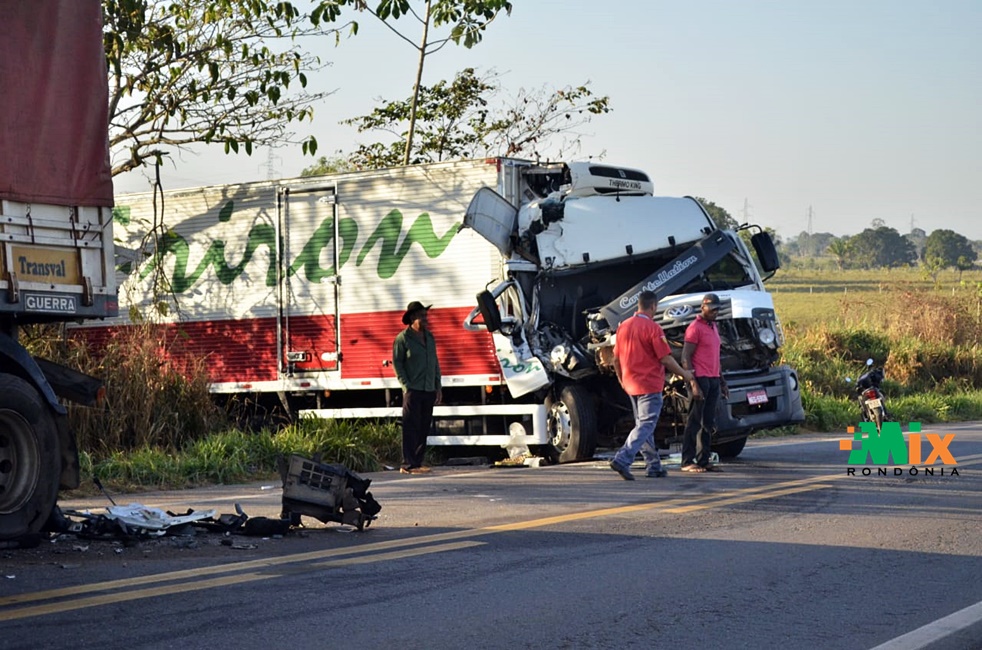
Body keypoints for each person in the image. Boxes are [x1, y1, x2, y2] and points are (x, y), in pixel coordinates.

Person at [610, 290, 694, 480]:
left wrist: (621, 379)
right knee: (646, 425)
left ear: (638, 305)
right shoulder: (653, 328)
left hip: (630, 383)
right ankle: (622, 458)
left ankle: (653, 465)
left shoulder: (623, 327)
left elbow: (615, 359)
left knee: (643, 426)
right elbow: (665, 359)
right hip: (649, 383)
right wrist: (685, 374)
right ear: (654, 306)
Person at [680, 293, 729, 473]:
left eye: (717, 309)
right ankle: (687, 460)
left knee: (708, 422)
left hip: (713, 378)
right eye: (712, 308)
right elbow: (686, 357)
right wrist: (693, 383)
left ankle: (703, 459)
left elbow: (716, 357)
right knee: (694, 421)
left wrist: (722, 382)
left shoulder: (713, 327)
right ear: (703, 307)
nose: (715, 312)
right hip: (700, 378)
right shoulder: (695, 328)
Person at [393, 300, 442, 474]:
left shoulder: (429, 337)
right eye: (422, 316)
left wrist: (438, 385)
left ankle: (418, 462)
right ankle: (407, 464)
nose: (425, 319)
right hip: (413, 389)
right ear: (413, 318)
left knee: (423, 426)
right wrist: (405, 385)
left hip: (428, 388)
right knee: (411, 426)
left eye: (425, 315)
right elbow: (398, 363)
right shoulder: (403, 338)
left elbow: (435, 362)